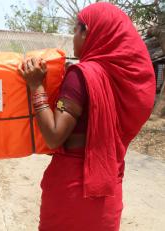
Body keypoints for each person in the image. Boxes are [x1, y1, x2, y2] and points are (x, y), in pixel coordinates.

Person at [18, 3, 155, 231]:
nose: (73, 37)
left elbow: (53, 136)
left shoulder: (82, 76)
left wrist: (36, 87)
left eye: (75, 30)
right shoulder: (118, 81)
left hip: (73, 192)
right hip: (107, 191)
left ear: (87, 32)